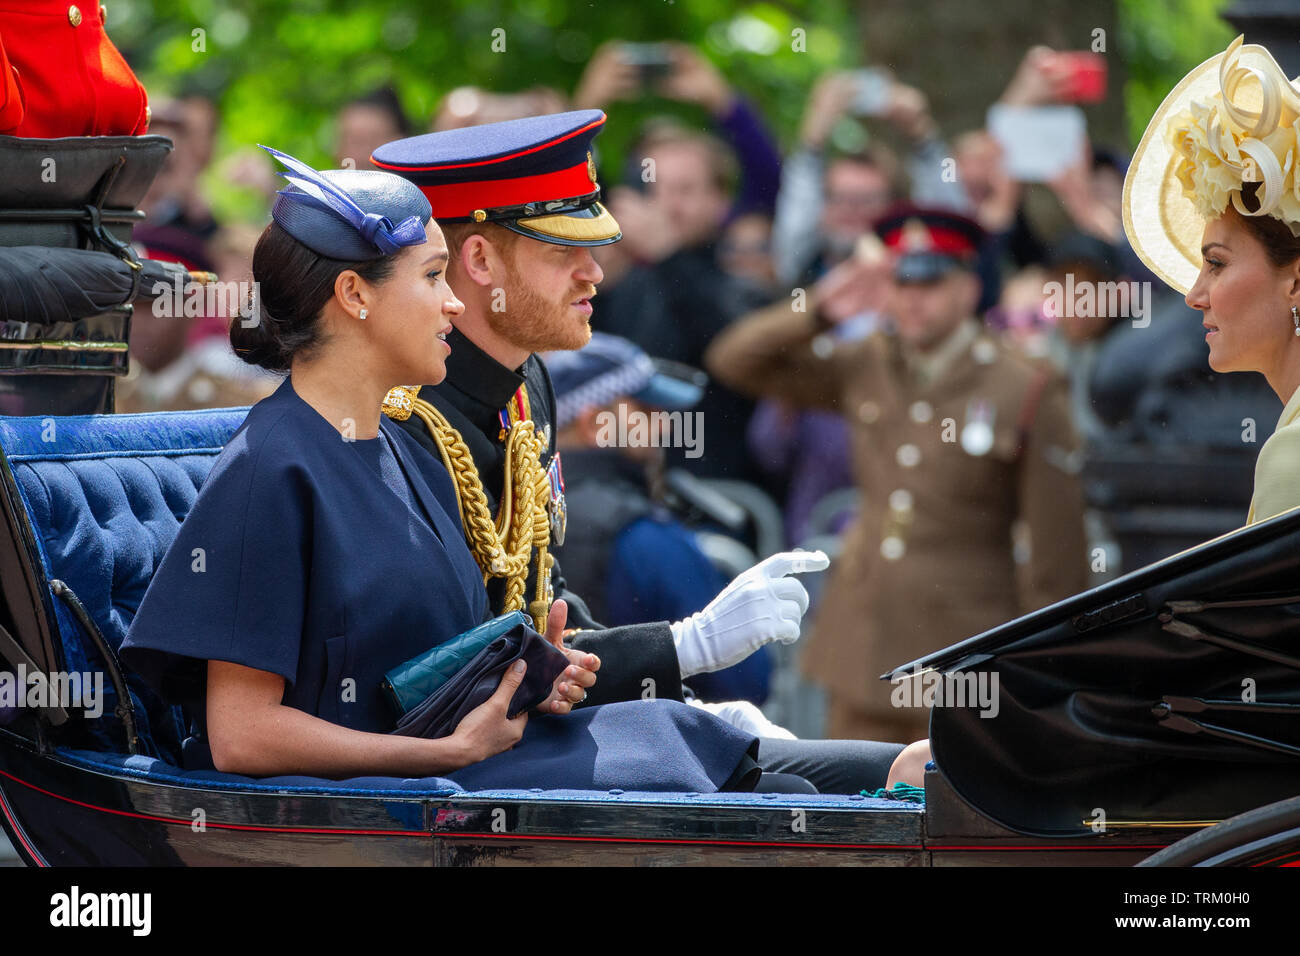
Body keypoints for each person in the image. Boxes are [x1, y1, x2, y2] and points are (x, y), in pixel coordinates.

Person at [119, 148, 766, 795]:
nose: (455, 303)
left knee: (738, 753)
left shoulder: (402, 452)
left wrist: (528, 677)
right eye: (432, 276)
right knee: (735, 777)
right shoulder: (272, 465)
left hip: (470, 771)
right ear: (354, 295)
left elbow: (425, 667)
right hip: (394, 810)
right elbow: (241, 735)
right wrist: (443, 753)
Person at [371, 111, 913, 792]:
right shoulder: (400, 411)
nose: (594, 272)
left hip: (536, 729)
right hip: (465, 765)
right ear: (480, 261)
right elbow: (452, 675)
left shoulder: (525, 382)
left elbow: (547, 620)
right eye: (564, 251)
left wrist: (674, 685)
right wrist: (681, 650)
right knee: (791, 796)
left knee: (903, 769)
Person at [707, 204, 1091, 743]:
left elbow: (1058, 557)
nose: (911, 299)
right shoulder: (867, 361)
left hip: (966, 653)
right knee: (854, 810)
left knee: (955, 815)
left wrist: (1038, 667)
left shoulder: (1023, 385)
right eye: (899, 282)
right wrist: (820, 308)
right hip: (863, 645)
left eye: (930, 283)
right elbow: (734, 361)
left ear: (968, 287)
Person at [544, 332, 774, 710]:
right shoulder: (644, 537)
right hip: (656, 746)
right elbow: (746, 679)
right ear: (595, 424)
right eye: (646, 410)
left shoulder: (516, 506)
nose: (664, 426)